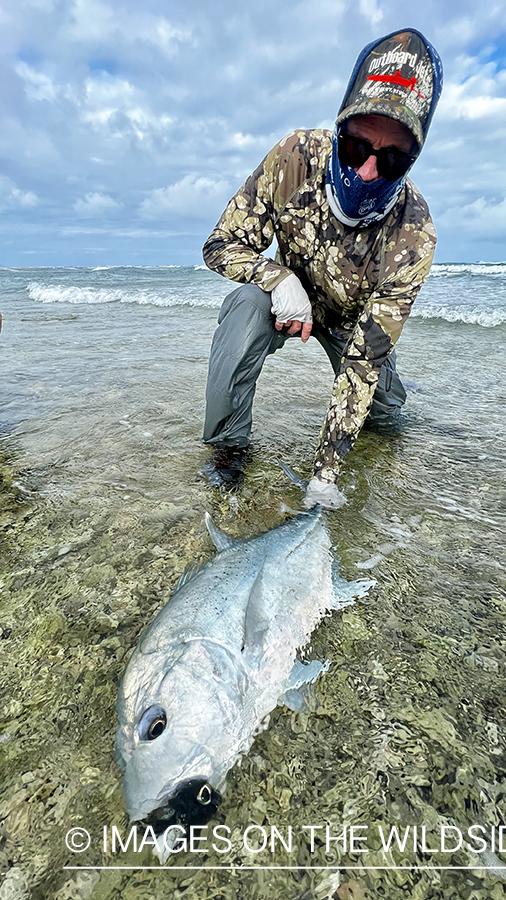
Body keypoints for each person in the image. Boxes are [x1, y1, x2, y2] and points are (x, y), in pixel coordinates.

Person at [202, 28, 443, 507]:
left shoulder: (414, 236)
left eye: (392, 158)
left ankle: (396, 395)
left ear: (412, 160)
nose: (368, 171)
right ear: (340, 130)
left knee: (387, 415)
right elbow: (219, 244)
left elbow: (362, 361)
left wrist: (324, 474)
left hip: (354, 329)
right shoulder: (293, 157)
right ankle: (227, 451)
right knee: (243, 307)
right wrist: (278, 277)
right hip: (284, 304)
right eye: (357, 148)